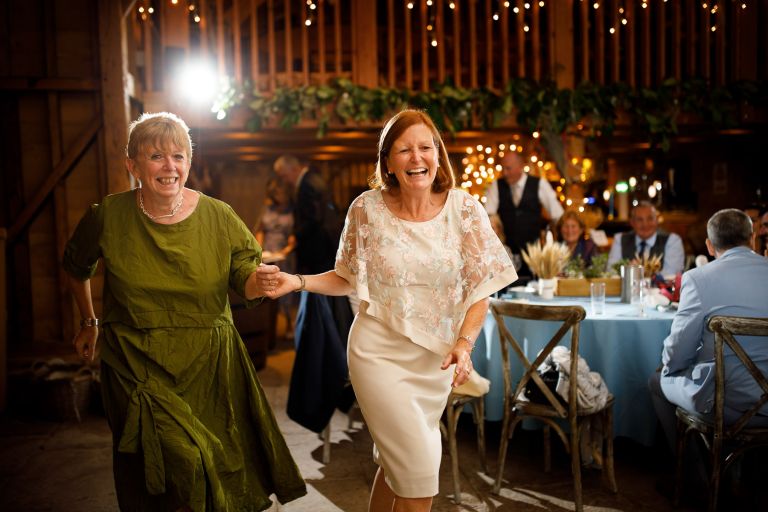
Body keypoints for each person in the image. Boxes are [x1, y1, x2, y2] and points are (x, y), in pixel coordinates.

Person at [259, 109, 518, 512]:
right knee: (419, 474)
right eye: (404, 150)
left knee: (398, 468)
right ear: (388, 162)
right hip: (377, 355)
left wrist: (464, 345)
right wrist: (299, 281)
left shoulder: (465, 210)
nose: (417, 158)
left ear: (438, 154)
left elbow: (481, 288)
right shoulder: (367, 209)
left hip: (435, 364)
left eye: (425, 147)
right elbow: (347, 276)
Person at [63, 112, 306, 511]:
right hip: (134, 360)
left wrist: (258, 282)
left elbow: (242, 274)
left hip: (208, 364)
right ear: (133, 165)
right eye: (156, 156)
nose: (169, 167)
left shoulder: (220, 216)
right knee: (175, 462)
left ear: (189, 163)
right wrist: (89, 321)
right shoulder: (107, 216)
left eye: (179, 156)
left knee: (212, 465)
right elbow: (76, 267)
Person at [648, 208, 768, 458]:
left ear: (710, 246)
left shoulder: (698, 278)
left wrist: (671, 366)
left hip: (729, 403)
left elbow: (679, 351)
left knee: (658, 379)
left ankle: (697, 477)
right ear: (752, 238)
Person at [484, 151, 564, 278]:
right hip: (506, 253)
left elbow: (558, 214)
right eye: (503, 168)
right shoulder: (496, 186)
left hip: (533, 254)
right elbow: (488, 216)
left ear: (520, 166)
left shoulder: (539, 184)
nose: (504, 173)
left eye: (508, 168)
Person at [254, 177, 297, 338]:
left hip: (286, 253)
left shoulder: (293, 210)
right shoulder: (267, 208)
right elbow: (260, 229)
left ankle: (289, 324)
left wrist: (288, 249)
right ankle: (268, 329)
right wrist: (259, 248)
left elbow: (295, 234)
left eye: (281, 193)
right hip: (267, 252)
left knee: (286, 289)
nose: (278, 196)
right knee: (267, 289)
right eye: (275, 193)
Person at [607, 201, 685, 276]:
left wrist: (637, 273)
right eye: (640, 220)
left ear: (657, 220)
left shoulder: (672, 241)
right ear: (632, 222)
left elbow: (671, 274)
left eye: (650, 218)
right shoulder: (620, 239)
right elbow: (611, 272)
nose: (645, 224)